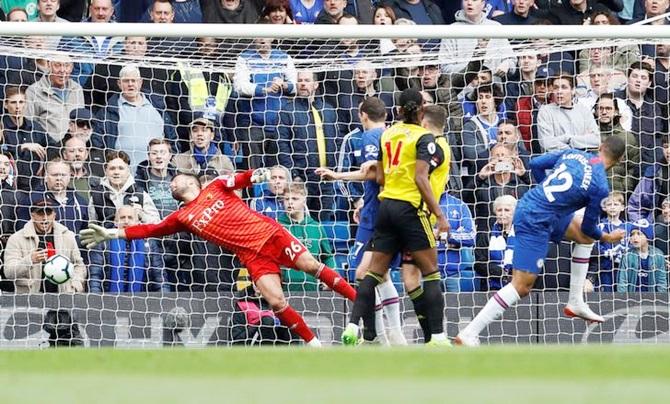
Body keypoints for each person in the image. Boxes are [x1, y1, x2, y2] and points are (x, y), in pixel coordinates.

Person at [80, 168, 357, 347]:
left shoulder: (214, 187)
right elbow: (150, 229)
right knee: (275, 301)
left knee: (312, 265)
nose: (171, 183)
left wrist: (258, 175)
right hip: (250, 254)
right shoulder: (182, 217)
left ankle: (362, 302)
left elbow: (240, 178)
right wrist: (113, 233)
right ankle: (315, 346)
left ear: (190, 181)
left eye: (175, 179)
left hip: (270, 234)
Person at [455, 135, 627, 346]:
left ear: (600, 147)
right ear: (618, 161)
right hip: (534, 220)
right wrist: (607, 237)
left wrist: (544, 190)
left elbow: (535, 163)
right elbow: (590, 226)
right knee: (521, 286)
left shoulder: (574, 153)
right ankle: (469, 333)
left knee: (585, 239)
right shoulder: (600, 186)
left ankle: (575, 301)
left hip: (538, 206)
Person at [340, 89, 450, 346]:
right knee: (431, 273)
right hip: (411, 210)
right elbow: (421, 178)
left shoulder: (387, 134)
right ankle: (437, 336)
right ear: (421, 110)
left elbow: (380, 178)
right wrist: (440, 215)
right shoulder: (425, 138)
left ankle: (353, 326)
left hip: (385, 207)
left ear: (398, 110)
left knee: (372, 274)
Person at [316, 97, 406, 346]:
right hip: (380, 212)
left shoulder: (369, 137)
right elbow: (374, 173)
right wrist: (339, 177)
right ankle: (385, 336)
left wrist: (347, 178)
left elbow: (375, 175)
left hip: (378, 217)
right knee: (381, 275)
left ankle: (379, 335)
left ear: (362, 115)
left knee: (363, 273)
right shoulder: (393, 135)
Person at [4, 199, 86, 293]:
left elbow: (79, 266)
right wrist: (30, 260)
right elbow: (9, 272)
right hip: (29, 300)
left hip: (62, 297)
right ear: (32, 216)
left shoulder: (67, 236)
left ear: (54, 215)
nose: (45, 218)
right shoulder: (16, 239)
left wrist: (74, 286)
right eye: (40, 214)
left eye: (48, 213)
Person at [88, 205, 168, 293]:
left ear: (137, 222)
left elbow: (160, 277)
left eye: (130, 218)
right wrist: (95, 300)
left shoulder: (149, 243)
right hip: (108, 300)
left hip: (142, 301)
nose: (126, 221)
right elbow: (95, 276)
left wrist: (164, 301)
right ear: (115, 222)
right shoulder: (103, 242)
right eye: (122, 218)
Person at [277, 182, 335, 292]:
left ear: (304, 200)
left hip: (312, 287)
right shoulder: (277, 226)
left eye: (294, 199)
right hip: (283, 288)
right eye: (286, 199)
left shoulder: (316, 227)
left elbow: (327, 256)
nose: (290, 202)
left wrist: (330, 278)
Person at [25, 56, 84, 144]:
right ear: (49, 65)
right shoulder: (33, 91)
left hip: (75, 147)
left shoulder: (77, 89)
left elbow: (82, 120)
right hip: (49, 147)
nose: (62, 70)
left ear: (71, 68)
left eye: (67, 66)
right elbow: (29, 125)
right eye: (58, 65)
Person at [537, 74, 600, 152]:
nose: (559, 91)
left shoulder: (584, 110)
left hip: (585, 159)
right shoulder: (545, 111)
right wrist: (575, 149)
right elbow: (547, 143)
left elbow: (596, 140)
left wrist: (568, 139)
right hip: (556, 160)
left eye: (564, 87)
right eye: (556, 88)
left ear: (573, 90)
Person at [617, 227, 667, 292]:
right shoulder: (627, 256)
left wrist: (661, 298)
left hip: (652, 298)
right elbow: (622, 281)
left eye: (639, 234)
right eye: (632, 234)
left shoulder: (658, 255)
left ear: (648, 237)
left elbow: (662, 281)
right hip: (631, 298)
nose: (635, 237)